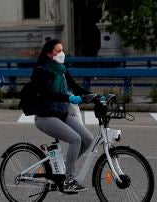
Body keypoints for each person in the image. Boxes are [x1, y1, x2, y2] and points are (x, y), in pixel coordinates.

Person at [31, 39, 93, 193]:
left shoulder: (61, 68)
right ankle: (68, 180)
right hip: (45, 116)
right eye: (58, 51)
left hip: (62, 113)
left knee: (88, 139)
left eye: (62, 50)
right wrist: (69, 98)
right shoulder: (41, 70)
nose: (62, 53)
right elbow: (48, 94)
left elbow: (74, 86)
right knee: (75, 139)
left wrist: (93, 95)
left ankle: (63, 169)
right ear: (49, 53)